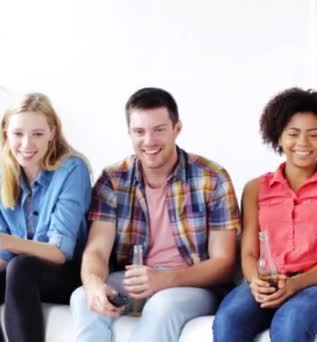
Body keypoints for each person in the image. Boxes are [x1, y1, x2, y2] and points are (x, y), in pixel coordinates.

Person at [70, 87, 240, 342]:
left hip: (191, 288)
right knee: (83, 297)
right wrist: (94, 283)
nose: (149, 141)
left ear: (177, 128)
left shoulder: (212, 178)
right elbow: (97, 249)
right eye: (139, 131)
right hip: (133, 288)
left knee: (161, 306)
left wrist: (165, 279)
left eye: (159, 130)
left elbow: (224, 264)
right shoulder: (113, 181)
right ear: (129, 133)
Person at [213, 88, 317, 342]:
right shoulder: (255, 188)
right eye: (293, 134)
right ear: (278, 137)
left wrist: (297, 284)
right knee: (228, 320)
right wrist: (255, 281)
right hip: (268, 281)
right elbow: (248, 254)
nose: (303, 143)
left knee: (291, 320)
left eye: (314, 135)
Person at [0, 93, 91, 342]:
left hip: (65, 273)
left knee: (21, 267)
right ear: (6, 132)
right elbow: (1, 255)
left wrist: (7, 241)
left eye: (38, 134)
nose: (27, 144)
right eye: (18, 134)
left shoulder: (72, 170)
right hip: (18, 274)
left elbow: (60, 252)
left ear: (52, 132)